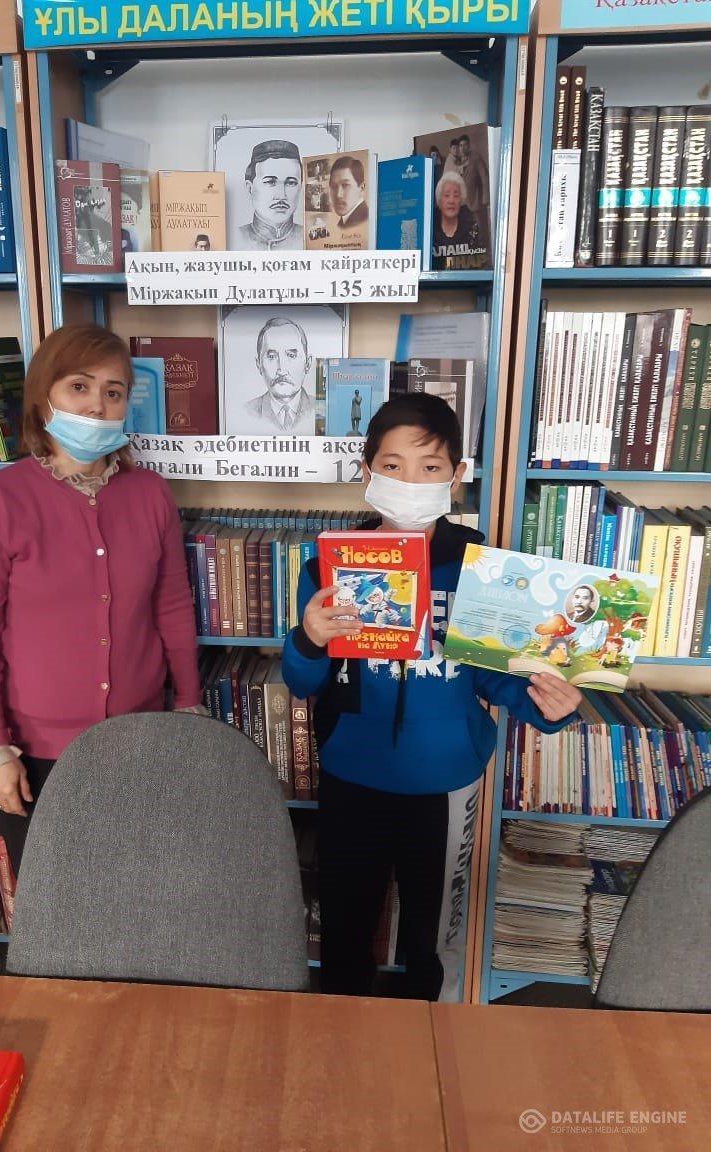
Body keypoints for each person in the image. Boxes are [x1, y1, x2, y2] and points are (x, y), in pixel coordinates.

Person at [282, 394, 581, 1001]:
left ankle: (429, 1032)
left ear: (457, 475)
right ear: (366, 472)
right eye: (392, 466)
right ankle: (339, 1028)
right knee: (345, 923)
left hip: (445, 783)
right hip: (353, 774)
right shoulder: (329, 566)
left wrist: (546, 704)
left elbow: (497, 676)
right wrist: (309, 640)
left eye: (430, 467)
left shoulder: (482, 570)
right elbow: (303, 683)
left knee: (432, 934)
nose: (410, 482)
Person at [0, 324, 202, 876]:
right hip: (34, 753)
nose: (96, 405)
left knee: (140, 892)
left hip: (138, 740)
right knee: (56, 909)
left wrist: (188, 703)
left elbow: (171, 607)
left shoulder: (150, 494)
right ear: (44, 396)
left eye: (113, 392)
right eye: (79, 387)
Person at [244, 316, 315, 433]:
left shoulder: (321, 409)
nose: (282, 370)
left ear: (307, 363)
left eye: (291, 356)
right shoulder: (247, 412)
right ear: (259, 364)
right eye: (272, 357)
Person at [239, 139, 304, 250]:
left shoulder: (310, 239)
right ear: (250, 188)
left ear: (300, 187)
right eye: (270, 182)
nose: (281, 195)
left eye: (291, 183)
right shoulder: (235, 237)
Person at [432, 172, 482, 267]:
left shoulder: (472, 229)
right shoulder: (429, 229)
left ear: (461, 200)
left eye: (456, 196)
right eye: (447, 195)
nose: (451, 201)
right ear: (439, 200)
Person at [329, 155, 368, 229]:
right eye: (334, 186)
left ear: (361, 188)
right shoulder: (343, 222)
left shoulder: (364, 220)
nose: (338, 195)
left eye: (345, 185)